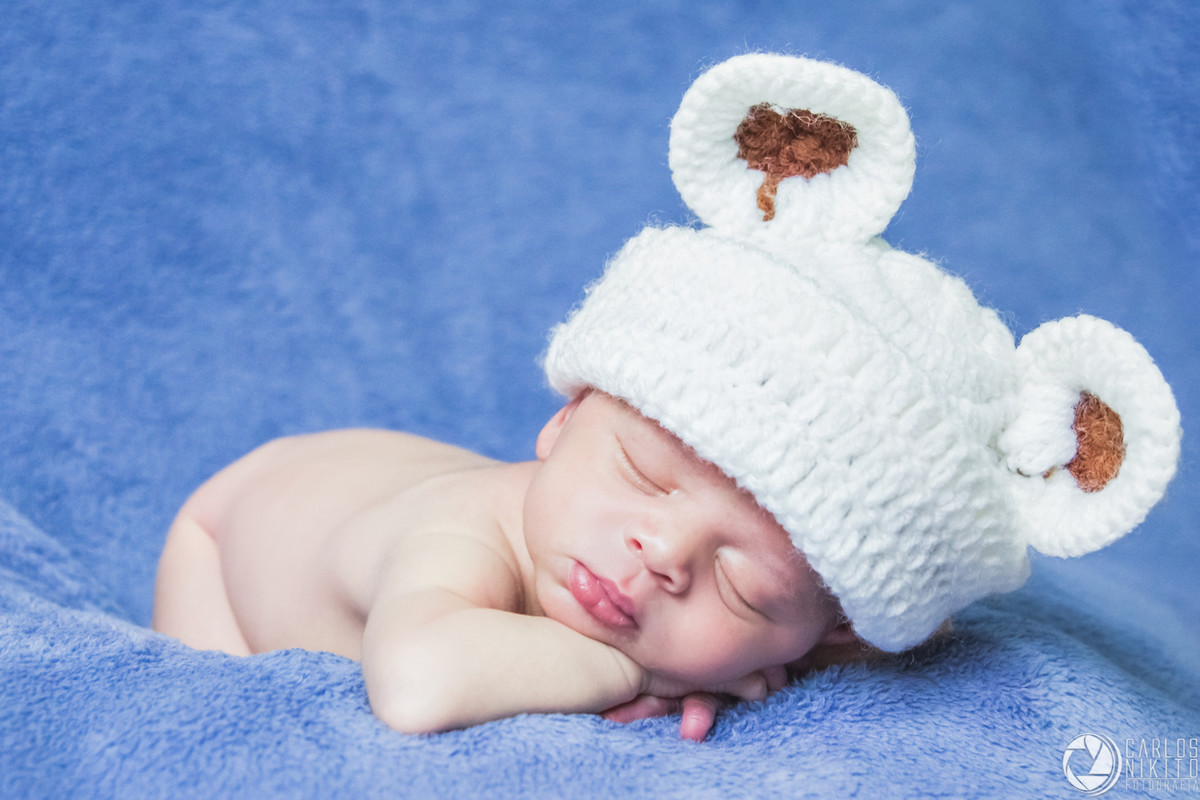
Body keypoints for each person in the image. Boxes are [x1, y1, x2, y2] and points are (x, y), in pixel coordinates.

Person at [152, 53, 1180, 741]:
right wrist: (634, 672)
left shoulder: (771, 611)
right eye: (643, 473)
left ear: (827, 637)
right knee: (218, 718)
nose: (661, 555)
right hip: (229, 529)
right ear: (565, 417)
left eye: (743, 589)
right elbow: (420, 684)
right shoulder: (460, 538)